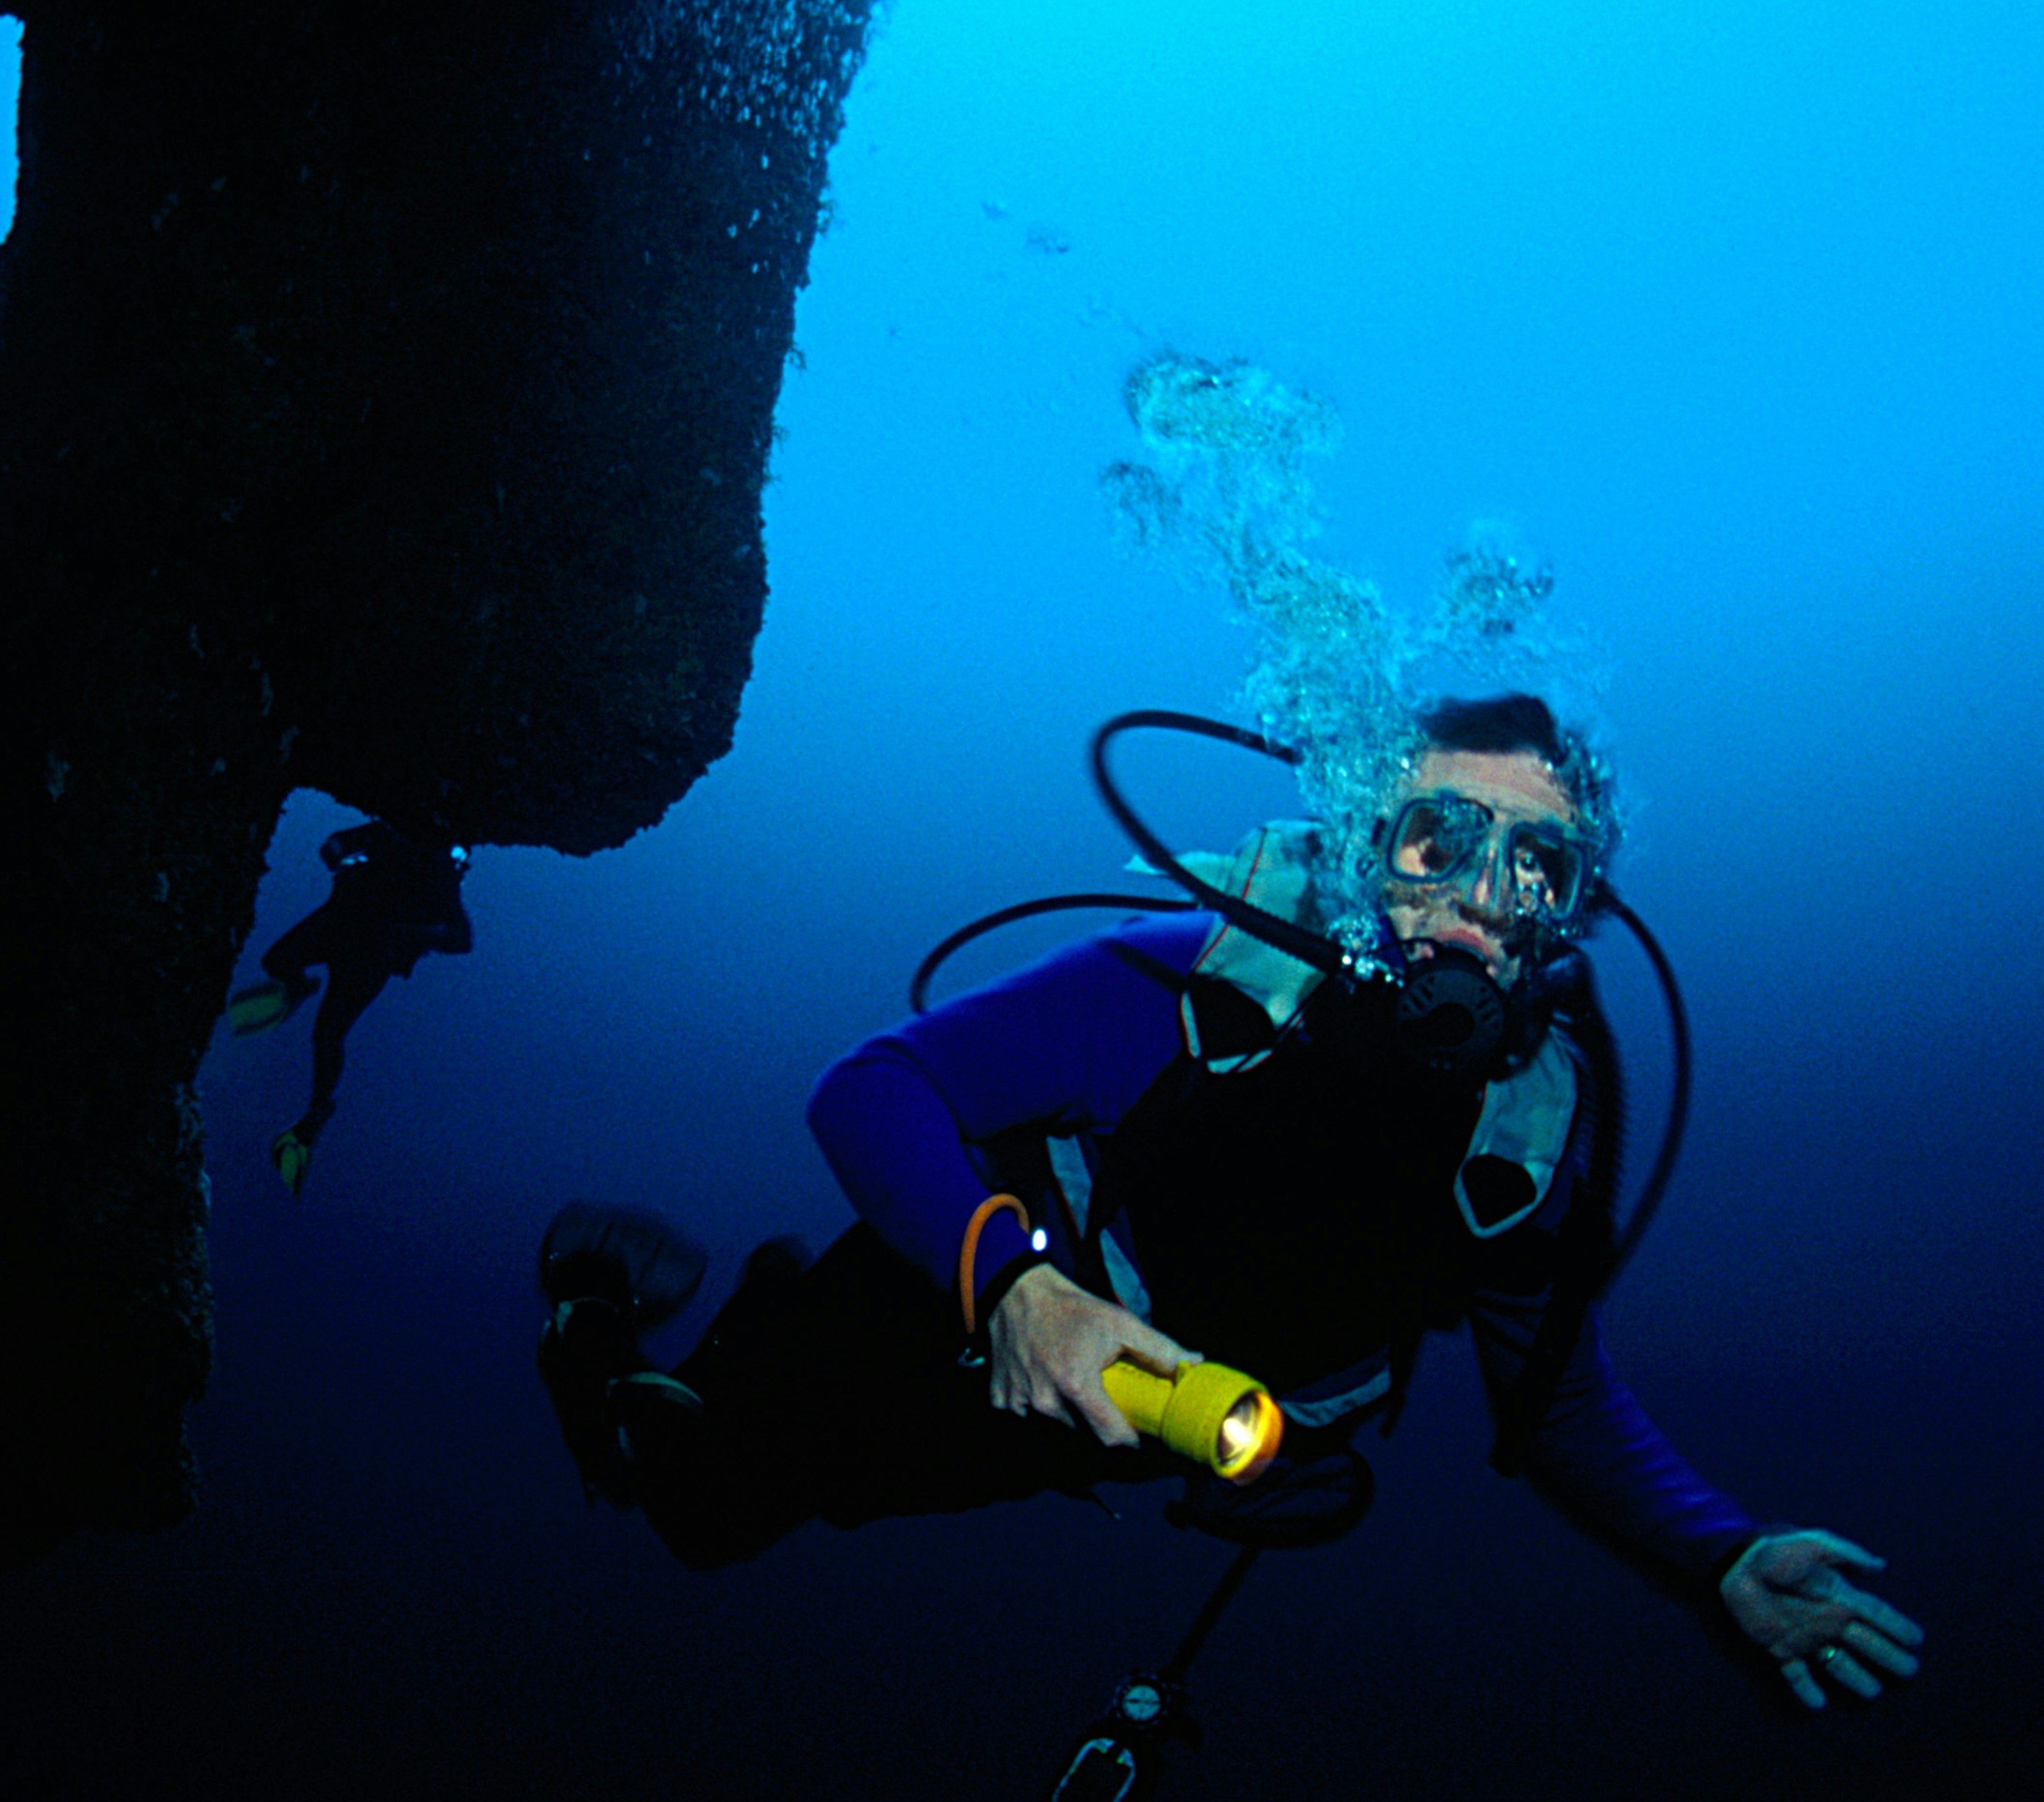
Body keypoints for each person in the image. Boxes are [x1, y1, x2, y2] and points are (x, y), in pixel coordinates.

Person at [536, 694, 1923, 1719]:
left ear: (1572, 909)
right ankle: (590, 1320)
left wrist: (1721, 1547)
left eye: (1537, 864)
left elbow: (1554, 1397)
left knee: (786, 1501)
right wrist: (1016, 1287)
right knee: (702, 1501)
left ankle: (712, 1369)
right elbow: (875, 1082)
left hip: (1118, 1428)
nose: (1480, 903)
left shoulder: (1538, 1127)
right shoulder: (1202, 978)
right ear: (1375, 843)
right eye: (1441, 837)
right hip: (946, 1293)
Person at [228, 821, 473, 1194]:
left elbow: (463, 939)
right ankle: (299, 988)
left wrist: (410, 935)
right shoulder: (388, 830)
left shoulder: (439, 869)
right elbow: (332, 843)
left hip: (372, 958)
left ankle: (315, 1115)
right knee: (276, 961)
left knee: (327, 1034)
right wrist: (341, 860)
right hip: (341, 924)